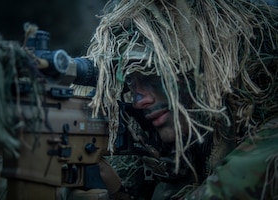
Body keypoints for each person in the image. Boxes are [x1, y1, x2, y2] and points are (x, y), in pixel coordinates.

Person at [85, 0, 278, 199]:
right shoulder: (179, 151)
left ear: (206, 64)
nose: (138, 101)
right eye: (130, 83)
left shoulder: (270, 143)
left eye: (152, 73)